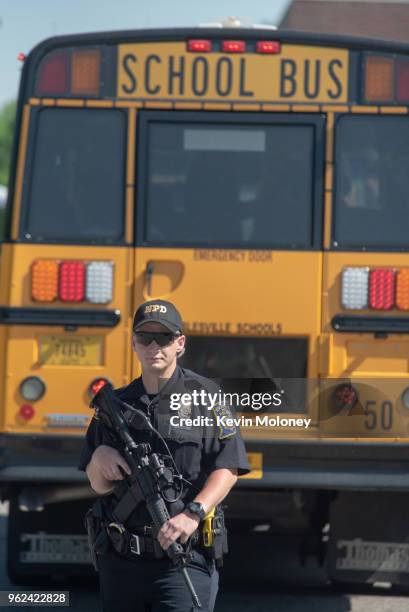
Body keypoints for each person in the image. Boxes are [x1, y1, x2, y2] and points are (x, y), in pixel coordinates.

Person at [78, 299, 250, 612]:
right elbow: (98, 485)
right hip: (121, 562)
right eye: (145, 337)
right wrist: (100, 457)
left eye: (165, 338)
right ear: (134, 343)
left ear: (180, 343)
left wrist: (193, 513)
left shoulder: (211, 397)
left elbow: (229, 467)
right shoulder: (113, 406)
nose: (154, 346)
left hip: (184, 560)